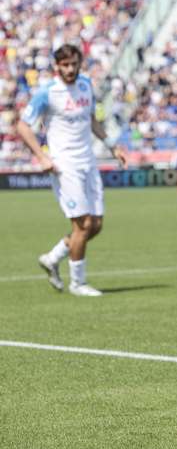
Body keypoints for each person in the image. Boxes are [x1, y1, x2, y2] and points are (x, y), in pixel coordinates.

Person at [15, 44, 127, 297]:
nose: (70, 69)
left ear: (79, 63)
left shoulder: (86, 84)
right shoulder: (47, 92)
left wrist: (112, 147)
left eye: (73, 64)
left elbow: (92, 121)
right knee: (83, 224)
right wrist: (42, 157)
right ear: (57, 66)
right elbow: (22, 126)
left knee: (96, 225)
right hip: (65, 166)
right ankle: (78, 283)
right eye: (64, 65)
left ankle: (52, 257)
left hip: (88, 161)